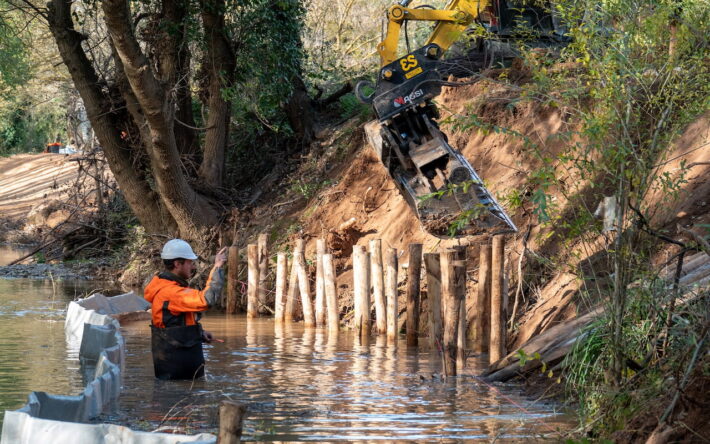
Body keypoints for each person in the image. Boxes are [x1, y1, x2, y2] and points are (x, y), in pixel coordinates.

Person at [144, 239, 227, 380]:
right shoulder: (171, 292)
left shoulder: (168, 287)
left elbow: (174, 322)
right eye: (190, 262)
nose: (193, 267)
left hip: (176, 365)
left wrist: (199, 333)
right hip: (177, 370)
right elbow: (206, 300)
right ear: (177, 264)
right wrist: (217, 267)